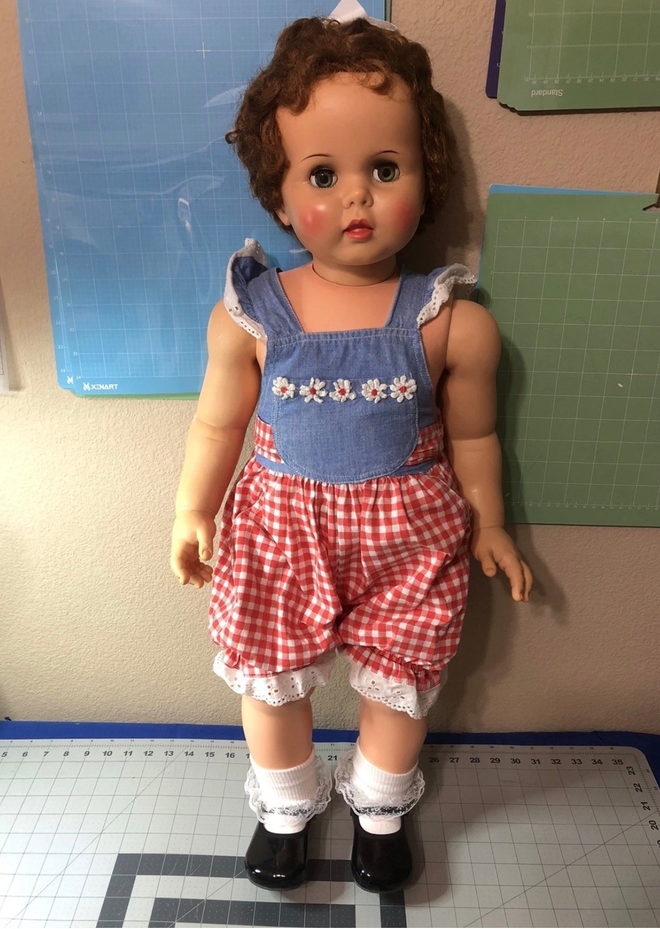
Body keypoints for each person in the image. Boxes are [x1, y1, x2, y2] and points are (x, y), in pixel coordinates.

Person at [170, 9, 533, 895]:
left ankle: (379, 810)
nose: (357, 198)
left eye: (385, 168)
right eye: (323, 174)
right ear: (279, 192)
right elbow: (217, 426)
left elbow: (473, 434)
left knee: (400, 681)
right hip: (279, 530)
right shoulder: (251, 315)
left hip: (409, 536)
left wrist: (489, 521)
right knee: (270, 682)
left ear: (427, 175)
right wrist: (192, 507)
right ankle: (285, 809)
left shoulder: (450, 321)